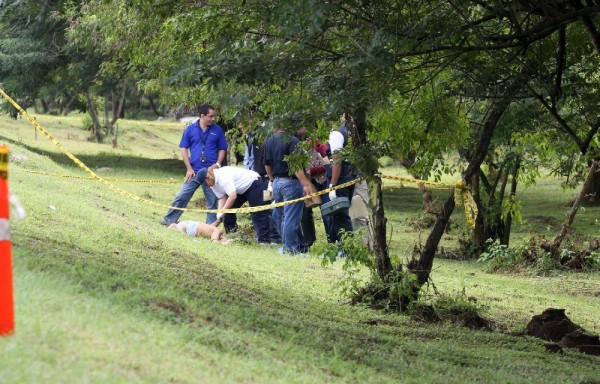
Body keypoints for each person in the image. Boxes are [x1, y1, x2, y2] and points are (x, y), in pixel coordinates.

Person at [159, 104, 236, 231]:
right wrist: (188, 168)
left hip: (211, 173)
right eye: (210, 116)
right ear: (202, 116)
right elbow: (183, 148)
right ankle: (169, 219)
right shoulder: (190, 129)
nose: (213, 119)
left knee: (213, 201)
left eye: (214, 116)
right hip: (194, 171)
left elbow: (223, 149)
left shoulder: (217, 130)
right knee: (182, 196)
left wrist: (217, 164)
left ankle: (210, 227)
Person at [264, 128, 312, 254]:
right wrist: (305, 184)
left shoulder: (270, 140)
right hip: (291, 182)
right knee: (291, 218)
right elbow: (295, 166)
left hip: (276, 182)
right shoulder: (293, 141)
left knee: (281, 215)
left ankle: (299, 245)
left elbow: (267, 164)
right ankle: (291, 249)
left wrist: (272, 180)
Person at [205, 165, 279, 244]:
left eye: (206, 183)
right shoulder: (212, 184)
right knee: (229, 211)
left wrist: (222, 211)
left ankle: (266, 240)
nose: (207, 186)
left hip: (255, 182)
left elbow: (232, 196)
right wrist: (219, 216)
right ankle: (232, 234)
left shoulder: (223, 176)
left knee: (260, 212)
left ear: (209, 177)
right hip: (239, 190)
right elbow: (222, 198)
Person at [242, 125, 281, 243]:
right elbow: (248, 159)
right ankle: (265, 235)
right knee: (259, 209)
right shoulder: (249, 138)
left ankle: (274, 237)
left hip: (265, 179)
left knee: (268, 208)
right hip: (253, 180)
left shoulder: (264, 139)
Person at [325, 117, 355, 243]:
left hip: (340, 179)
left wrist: (333, 184)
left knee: (340, 214)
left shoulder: (336, 134)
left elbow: (337, 161)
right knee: (337, 214)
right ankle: (336, 244)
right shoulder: (350, 132)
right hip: (349, 176)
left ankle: (347, 248)